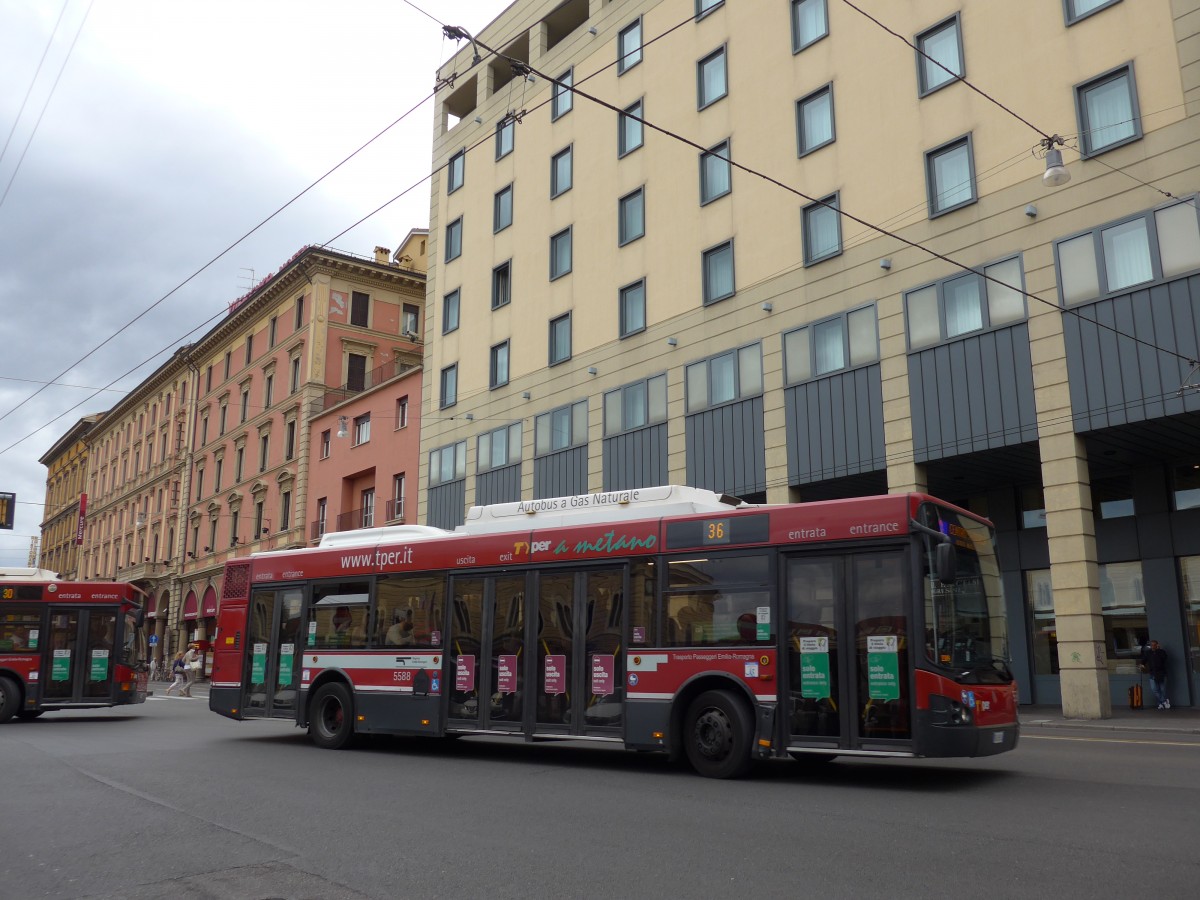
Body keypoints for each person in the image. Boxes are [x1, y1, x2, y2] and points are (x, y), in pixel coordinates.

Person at [1141, 639, 1170, 710]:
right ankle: (1164, 701)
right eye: (1151, 645)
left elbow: (1164, 659)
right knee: (1154, 689)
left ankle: (1160, 703)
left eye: (1154, 645)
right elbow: (1143, 661)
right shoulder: (1148, 653)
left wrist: (1158, 650)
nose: (1153, 646)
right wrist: (1142, 665)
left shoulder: (1161, 652)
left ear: (1157, 645)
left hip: (1161, 673)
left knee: (1162, 689)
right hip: (1152, 673)